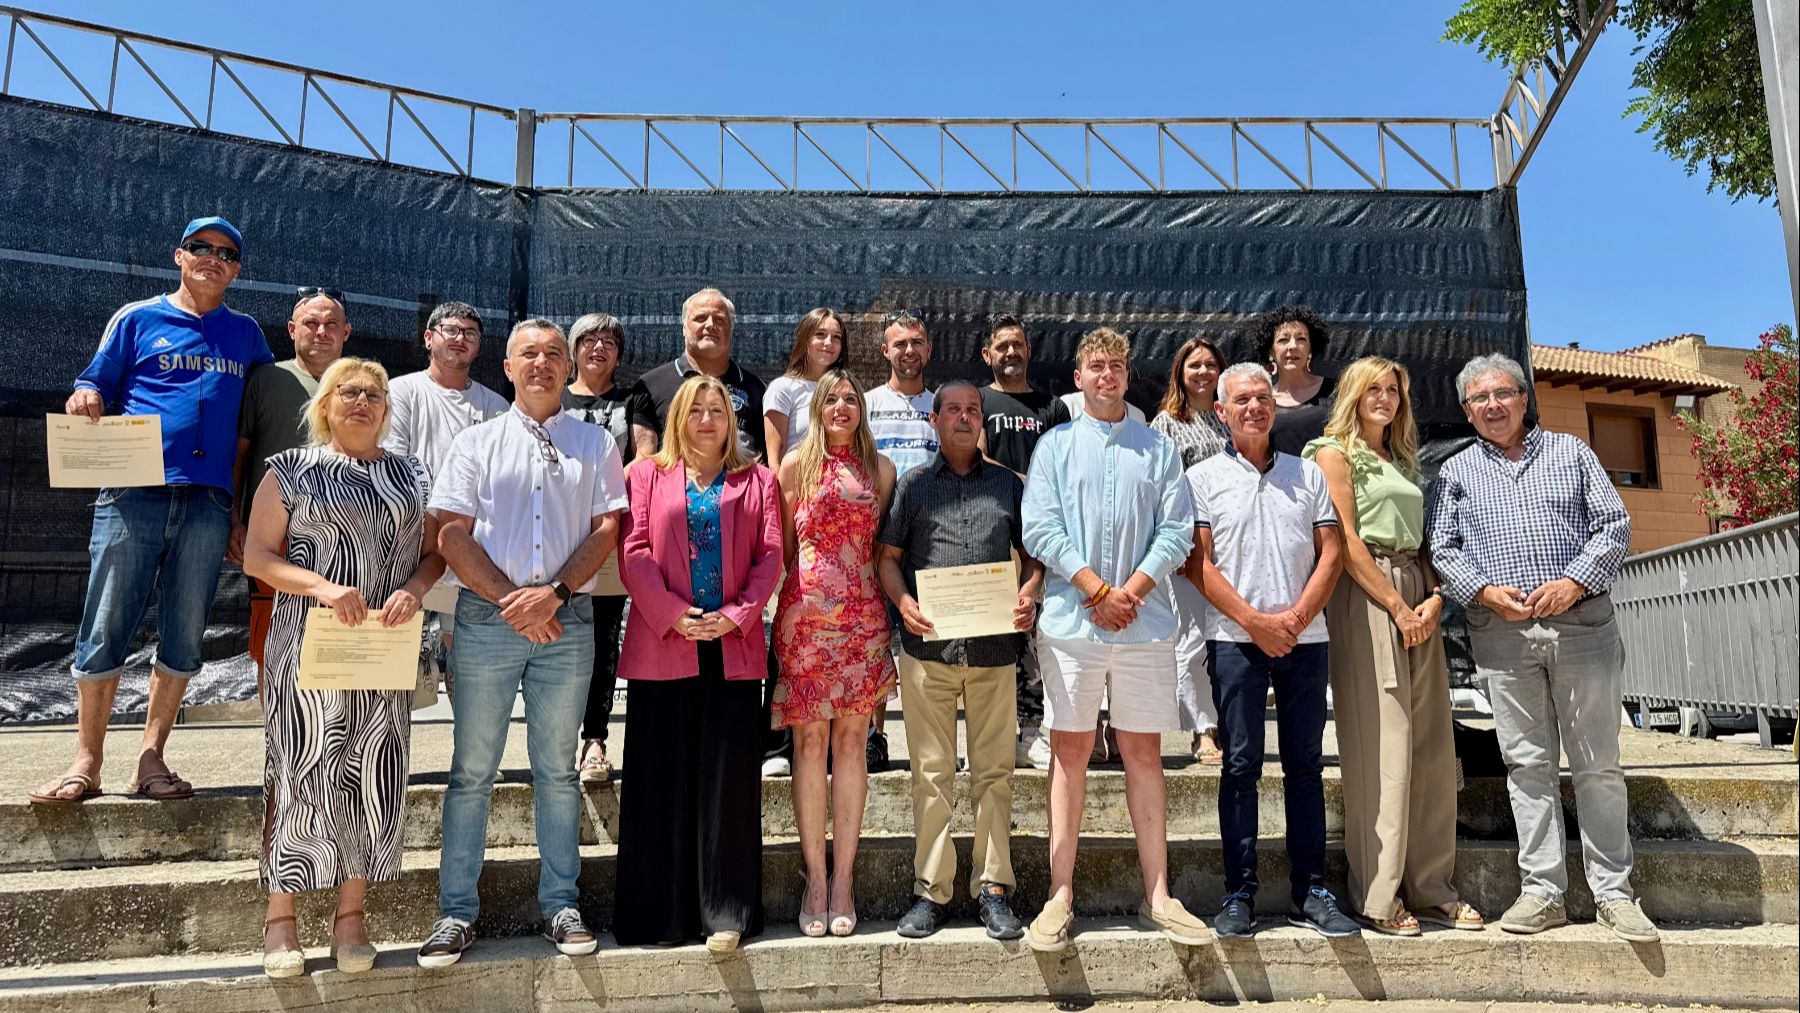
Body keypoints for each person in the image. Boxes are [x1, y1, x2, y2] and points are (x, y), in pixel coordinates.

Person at [32, 216, 273, 806]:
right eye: (200, 248)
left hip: (209, 500)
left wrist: (244, 512)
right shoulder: (137, 318)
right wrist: (85, 395)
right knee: (105, 622)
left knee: (185, 632)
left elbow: (257, 424)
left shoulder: (247, 335)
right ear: (179, 256)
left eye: (225, 252)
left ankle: (152, 758)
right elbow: (93, 383)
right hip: (131, 494)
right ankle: (86, 760)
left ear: (236, 269)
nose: (212, 258)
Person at [416, 320, 627, 967]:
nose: (542, 363)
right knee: (472, 771)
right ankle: (456, 912)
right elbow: (450, 533)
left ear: (568, 370)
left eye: (553, 354)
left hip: (567, 623)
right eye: (528, 353)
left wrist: (554, 596)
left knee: (558, 772)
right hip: (488, 620)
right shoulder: (474, 442)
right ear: (506, 367)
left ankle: (559, 902)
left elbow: (607, 527)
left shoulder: (596, 443)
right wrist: (516, 599)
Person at [1427, 353, 1656, 943]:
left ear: (1524, 400)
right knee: (1526, 765)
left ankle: (1614, 893)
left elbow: (1614, 524)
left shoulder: (1571, 453)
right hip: (1501, 635)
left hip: (1581, 625)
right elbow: (1444, 549)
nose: (1493, 406)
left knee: (1597, 765)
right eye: (1480, 399)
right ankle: (1543, 892)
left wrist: (1574, 580)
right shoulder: (1456, 473)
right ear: (1467, 411)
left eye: (1503, 393)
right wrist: (1483, 591)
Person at [242, 358, 443, 978]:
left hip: (384, 648)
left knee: (375, 778)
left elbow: (435, 555)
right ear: (325, 404)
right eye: (349, 392)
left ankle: (351, 920)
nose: (363, 402)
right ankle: (281, 922)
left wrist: (414, 587)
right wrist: (323, 588)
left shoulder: (413, 474)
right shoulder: (289, 470)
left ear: (387, 408)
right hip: (308, 644)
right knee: (302, 771)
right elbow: (256, 557)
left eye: (374, 394)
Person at [1019, 327, 1207, 953]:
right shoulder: (1052, 447)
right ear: (1078, 377)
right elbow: (1040, 530)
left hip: (1145, 625)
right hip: (1074, 625)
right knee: (1069, 754)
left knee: (1144, 755)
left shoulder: (1158, 449)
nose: (1107, 375)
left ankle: (1160, 894)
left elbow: (1177, 530)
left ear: (1129, 376)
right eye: (1095, 366)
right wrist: (1098, 591)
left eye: (1117, 366)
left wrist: (1131, 590)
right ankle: (1059, 895)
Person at [1303, 357, 1479, 936]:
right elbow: (1347, 542)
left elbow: (1422, 540)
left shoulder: (1401, 460)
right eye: (1373, 389)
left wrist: (1431, 599)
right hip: (1366, 596)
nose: (1385, 398)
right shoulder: (1331, 452)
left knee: (1430, 742)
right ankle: (1378, 894)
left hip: (1416, 593)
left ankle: (1431, 885)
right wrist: (1397, 607)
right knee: (1384, 743)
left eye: (1394, 390)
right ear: (1353, 394)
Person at [614, 374, 783, 952]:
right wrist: (672, 612)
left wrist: (737, 614)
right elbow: (632, 553)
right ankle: (657, 916)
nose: (707, 420)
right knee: (658, 779)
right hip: (664, 641)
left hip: (731, 646)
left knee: (727, 783)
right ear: (677, 417)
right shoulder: (642, 475)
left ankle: (726, 912)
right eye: (696, 410)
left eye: (717, 410)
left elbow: (771, 556)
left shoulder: (757, 479)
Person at [1186, 362, 1355, 940]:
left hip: (1306, 643)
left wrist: (1297, 618)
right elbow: (1196, 564)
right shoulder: (1201, 477)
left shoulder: (1307, 474)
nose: (1254, 407)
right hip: (1235, 641)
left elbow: (1330, 553)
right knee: (1239, 767)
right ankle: (1240, 894)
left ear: (1273, 407)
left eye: (1262, 397)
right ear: (1221, 411)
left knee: (1305, 769)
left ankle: (1312, 891)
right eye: (1242, 400)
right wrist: (1256, 622)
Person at [877, 380, 1041, 941]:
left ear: (983, 421)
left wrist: (1030, 592)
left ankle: (993, 889)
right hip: (929, 651)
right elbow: (888, 559)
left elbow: (1036, 559)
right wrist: (903, 604)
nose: (965, 418)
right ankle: (932, 891)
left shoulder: (1011, 486)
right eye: (954, 410)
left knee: (995, 772)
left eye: (974, 410)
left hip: (995, 649)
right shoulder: (915, 486)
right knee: (931, 774)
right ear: (935, 420)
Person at [772, 369, 897, 937]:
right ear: (817, 408)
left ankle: (843, 878)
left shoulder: (882, 470)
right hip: (806, 619)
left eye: (852, 399)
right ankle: (814, 878)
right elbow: (784, 549)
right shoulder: (795, 467)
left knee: (851, 740)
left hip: (862, 620)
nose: (843, 406)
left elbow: (880, 548)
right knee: (810, 742)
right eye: (833, 399)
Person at [382, 301, 509, 699]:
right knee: (396, 660)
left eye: (470, 334)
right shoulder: (400, 392)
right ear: (429, 338)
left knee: (463, 665)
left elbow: (500, 482)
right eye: (451, 330)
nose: (460, 339)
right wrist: (430, 526)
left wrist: (457, 533)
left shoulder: (496, 407)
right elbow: (393, 464)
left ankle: (469, 759)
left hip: (467, 552)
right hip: (405, 546)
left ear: (478, 347)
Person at [228, 288, 350, 694]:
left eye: (332, 324)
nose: (321, 331)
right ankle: (277, 740)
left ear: (346, 332)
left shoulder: (359, 383)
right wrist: (234, 519)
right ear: (292, 329)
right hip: (275, 536)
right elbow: (239, 455)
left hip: (346, 535)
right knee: (273, 635)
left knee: (340, 634)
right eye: (312, 323)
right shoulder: (265, 378)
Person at [974, 313, 1068, 772]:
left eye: (1018, 344)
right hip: (991, 532)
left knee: (1034, 631)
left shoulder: (1053, 408)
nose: (1011, 352)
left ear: (1029, 351)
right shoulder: (978, 401)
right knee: (991, 630)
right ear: (987, 354)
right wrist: (1025, 482)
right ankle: (988, 732)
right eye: (1002, 345)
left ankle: (1033, 727)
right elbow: (977, 454)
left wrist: (1038, 491)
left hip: (1042, 537)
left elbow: (1063, 467)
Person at [861, 309, 939, 772]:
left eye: (917, 342)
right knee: (875, 643)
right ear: (884, 351)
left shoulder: (943, 403)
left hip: (930, 546)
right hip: (875, 545)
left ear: (928, 349)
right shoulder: (866, 404)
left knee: (929, 643)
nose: (908, 350)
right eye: (900, 343)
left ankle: (933, 739)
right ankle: (875, 735)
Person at [562, 312, 635, 784]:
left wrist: (603, 489)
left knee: (604, 638)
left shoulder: (633, 399)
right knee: (562, 638)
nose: (598, 348)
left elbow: (644, 455)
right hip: (557, 536)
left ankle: (594, 739)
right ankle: (556, 738)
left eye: (609, 341)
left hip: (610, 533)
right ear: (573, 349)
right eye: (589, 339)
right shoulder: (553, 396)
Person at [1151, 337, 1231, 765]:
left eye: (1210, 365)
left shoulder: (1231, 418)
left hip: (1234, 546)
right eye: (1194, 365)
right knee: (1192, 640)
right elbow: (1157, 490)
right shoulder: (1166, 423)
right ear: (1180, 374)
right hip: (1189, 550)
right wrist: (1176, 545)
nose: (1203, 372)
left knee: (1228, 639)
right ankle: (1202, 730)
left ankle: (1227, 720)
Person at [627, 288, 767, 464]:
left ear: (731, 330)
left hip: (742, 487)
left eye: (719, 320)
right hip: (674, 488)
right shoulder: (650, 386)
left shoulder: (756, 388)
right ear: (684, 328)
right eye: (700, 318)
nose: (710, 325)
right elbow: (643, 459)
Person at [763, 308, 847, 467]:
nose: (828, 342)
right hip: (797, 486)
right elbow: (775, 459)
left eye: (836, 337)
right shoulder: (782, 388)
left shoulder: (847, 390)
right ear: (805, 339)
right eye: (820, 334)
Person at [1255, 305, 1337, 457]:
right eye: (1283, 340)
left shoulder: (1337, 391)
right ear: (1271, 350)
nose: (1292, 346)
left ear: (1310, 348)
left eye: (1301, 339)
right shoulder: (1261, 400)